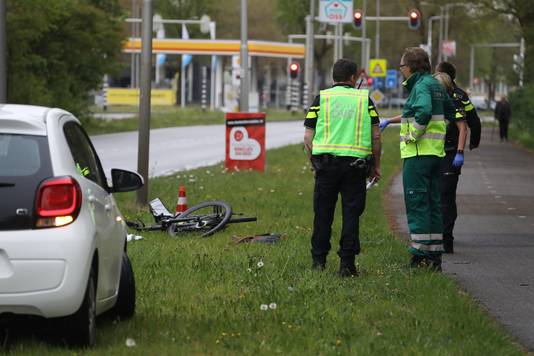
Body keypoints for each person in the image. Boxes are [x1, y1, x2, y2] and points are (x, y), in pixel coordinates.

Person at [379, 48, 456, 271]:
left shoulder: (421, 86)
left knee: (417, 204)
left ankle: (420, 256)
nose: (401, 70)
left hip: (418, 154)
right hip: (435, 154)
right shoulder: (435, 85)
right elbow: (451, 112)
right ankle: (434, 256)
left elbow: (422, 111)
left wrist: (413, 134)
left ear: (411, 67)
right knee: (433, 205)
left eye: (402, 66)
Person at [303, 58, 381, 277]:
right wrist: (376, 165)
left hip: (325, 166)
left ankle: (318, 262)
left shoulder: (321, 99)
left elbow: (308, 137)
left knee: (322, 214)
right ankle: (347, 265)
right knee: (351, 214)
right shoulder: (364, 100)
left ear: (333, 77)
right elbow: (376, 135)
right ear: (354, 78)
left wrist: (313, 163)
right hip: (355, 167)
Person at [434, 61, 481, 253]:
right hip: (440, 151)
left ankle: (446, 238)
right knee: (444, 196)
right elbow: (474, 120)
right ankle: (441, 234)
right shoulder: (461, 95)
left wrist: (467, 145)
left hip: (451, 150)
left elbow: (469, 122)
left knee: (445, 195)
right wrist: (474, 142)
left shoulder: (456, 97)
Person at [432, 72, 468, 254]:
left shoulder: (454, 103)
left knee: (446, 198)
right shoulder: (432, 102)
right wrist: (389, 121)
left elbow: (463, 127)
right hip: (434, 154)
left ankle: (447, 239)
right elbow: (413, 115)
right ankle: (436, 237)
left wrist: (460, 152)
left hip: (450, 155)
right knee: (436, 197)